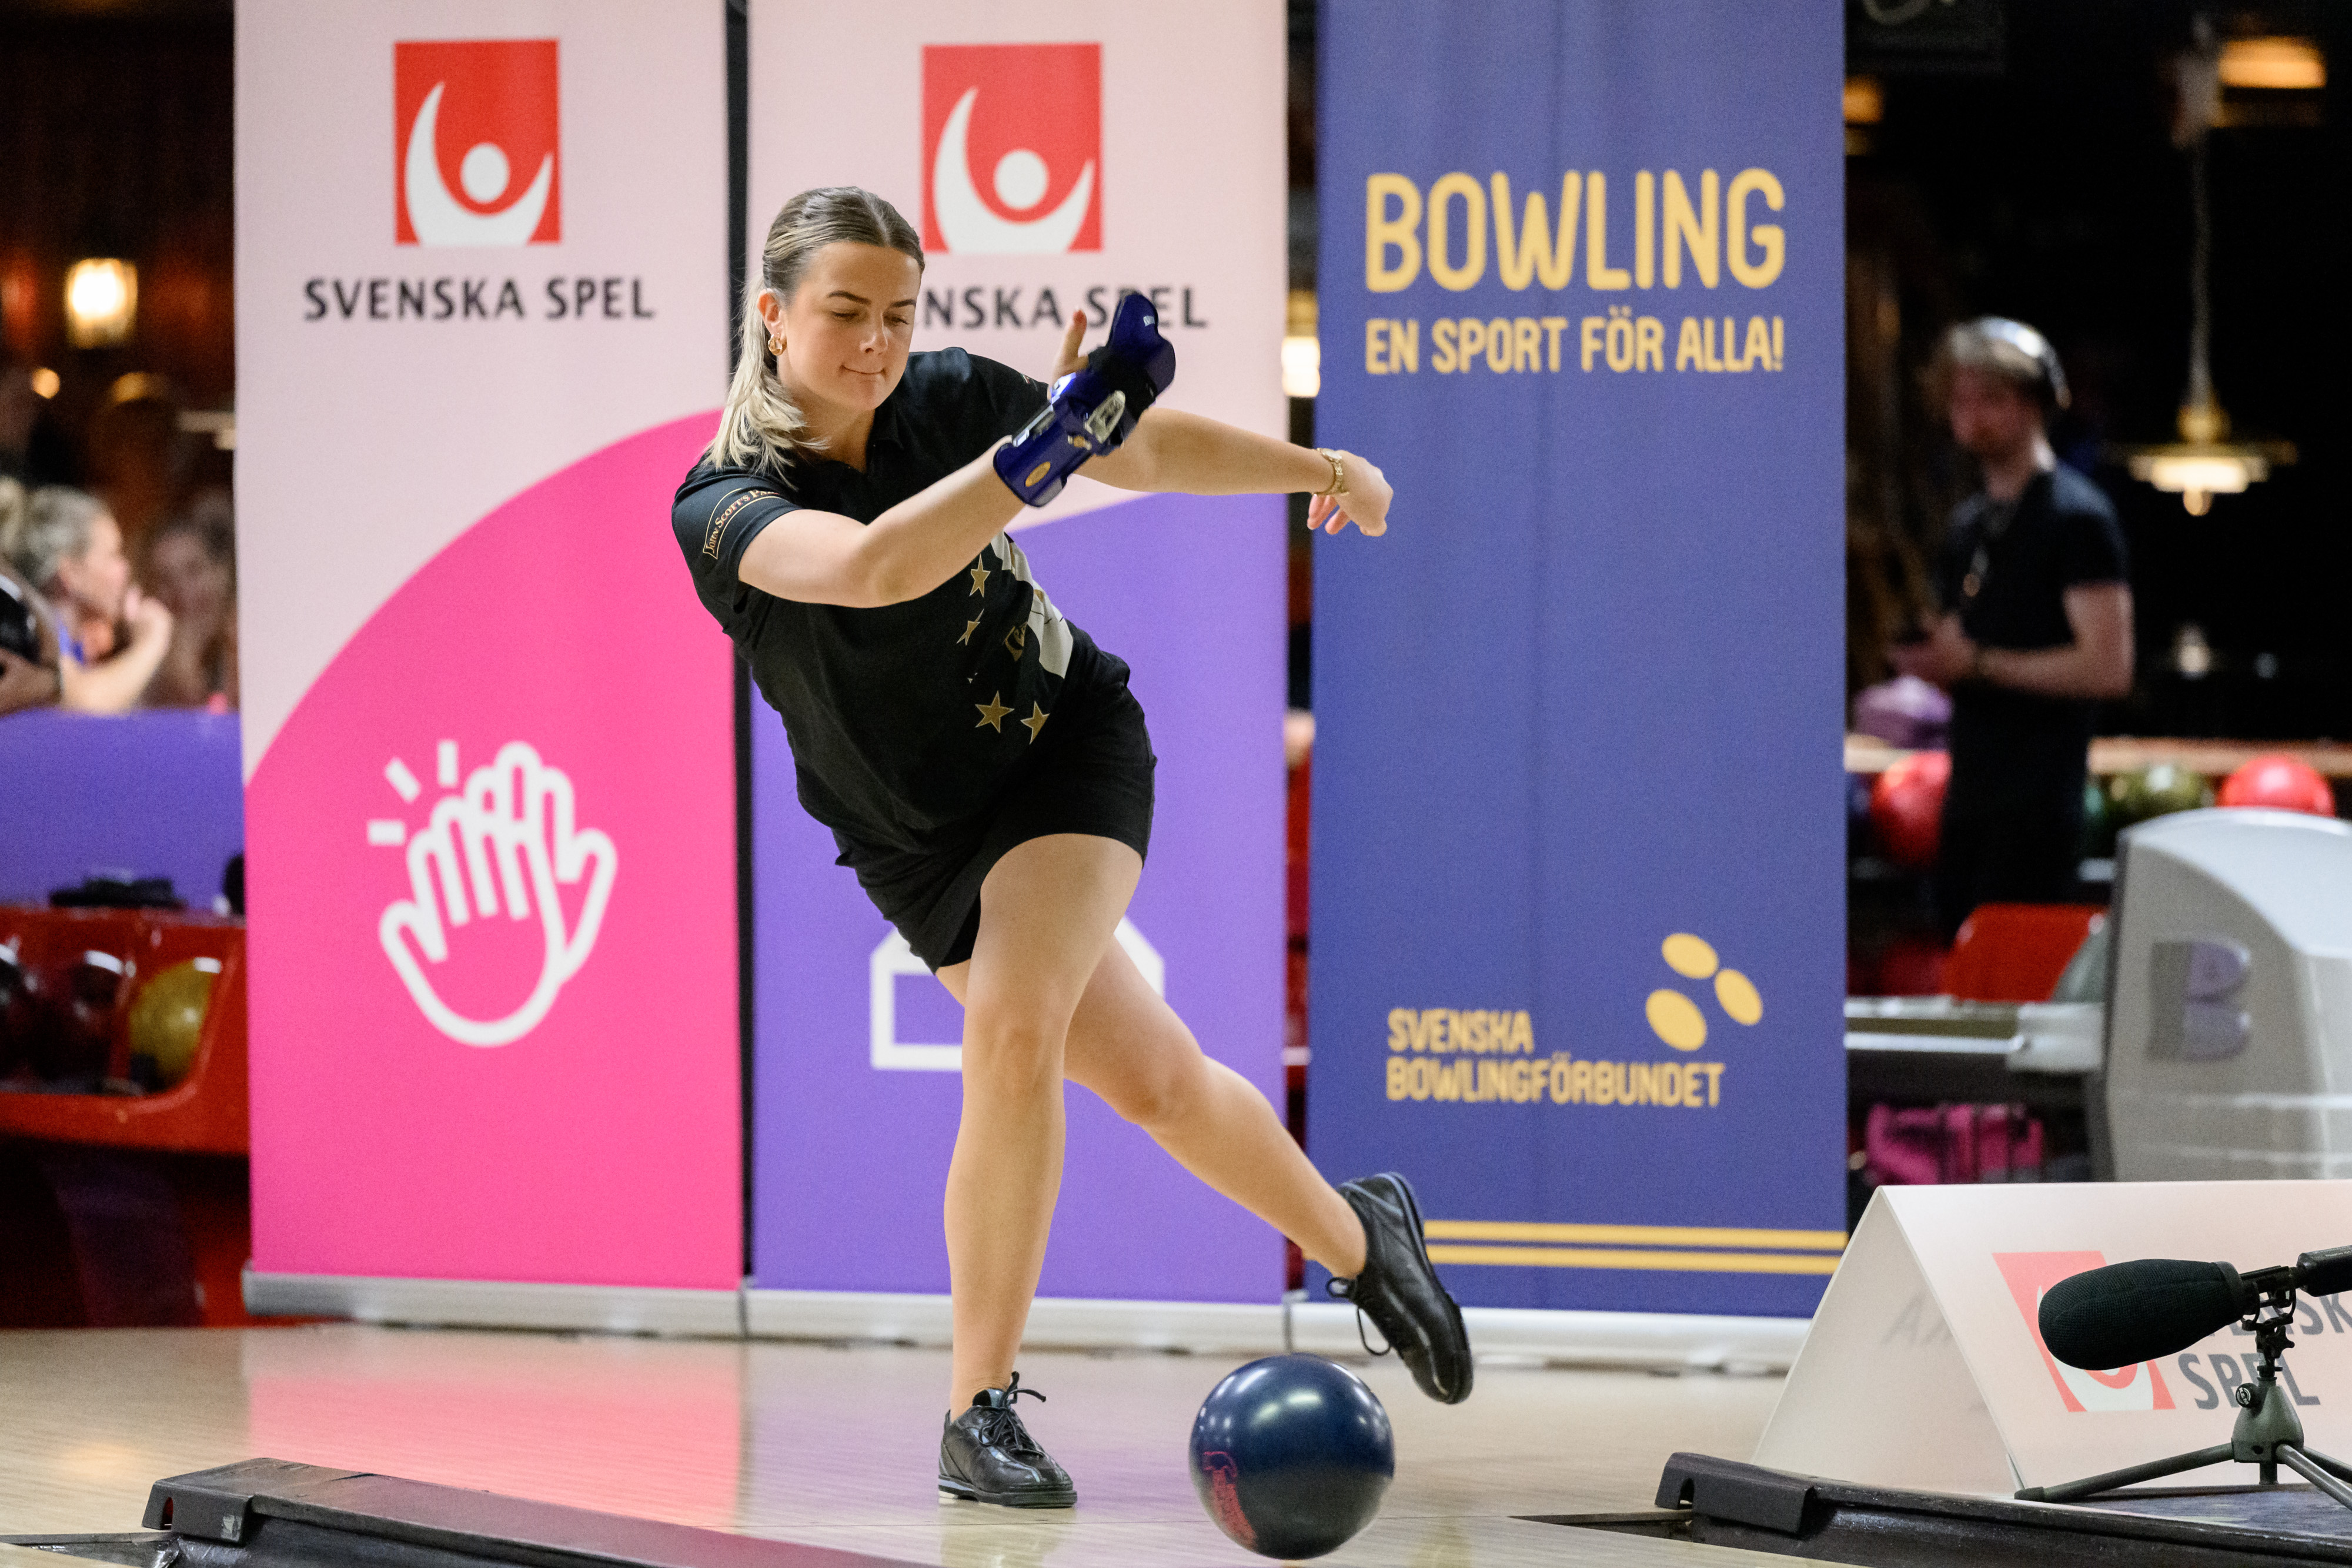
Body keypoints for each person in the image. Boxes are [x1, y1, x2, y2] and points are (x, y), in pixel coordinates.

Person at [671, 187, 1471, 1509]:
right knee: (1157, 1082)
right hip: (914, 840)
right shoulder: (723, 502)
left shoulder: (941, 397)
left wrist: (1326, 469)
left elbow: (1141, 455)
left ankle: (973, 1409)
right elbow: (871, 568)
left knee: (1012, 1030)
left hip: (1061, 745)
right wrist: (1035, 452)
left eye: (898, 315)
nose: (877, 344)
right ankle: (1361, 1237)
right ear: (772, 315)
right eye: (845, 313)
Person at [1892, 319, 2132, 936]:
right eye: (1961, 401)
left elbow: (2108, 668)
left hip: (2037, 810)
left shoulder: (2077, 519)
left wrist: (1977, 664)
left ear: (2035, 403)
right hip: (1968, 797)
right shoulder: (1968, 524)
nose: (1972, 416)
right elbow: (1960, 647)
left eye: (1991, 399)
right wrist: (1931, 664)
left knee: (2015, 972)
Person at [0, 484, 173, 713]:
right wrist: (152, 640)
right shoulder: (29, 633)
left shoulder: (74, 644)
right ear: (71, 573)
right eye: (113, 555)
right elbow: (85, 704)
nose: (125, 569)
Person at [141, 492, 239, 710]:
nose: (182, 591)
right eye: (165, 579)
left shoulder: (244, 647)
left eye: (194, 570)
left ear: (221, 573)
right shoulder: (143, 663)